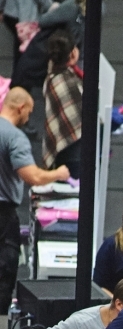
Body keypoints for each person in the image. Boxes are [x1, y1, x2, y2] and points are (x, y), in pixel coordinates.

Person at [0, 86, 70, 311]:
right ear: (21, 108)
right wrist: (59, 174)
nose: (28, 118)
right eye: (29, 113)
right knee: (4, 270)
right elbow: (33, 176)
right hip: (2, 216)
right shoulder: (14, 137)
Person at [41, 31, 82, 178]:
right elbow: (84, 116)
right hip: (75, 152)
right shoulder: (69, 82)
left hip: (63, 149)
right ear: (72, 54)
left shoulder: (52, 76)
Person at [0, 0, 55, 69]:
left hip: (10, 11)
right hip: (25, 13)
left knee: (19, 54)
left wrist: (1, 6)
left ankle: (15, 81)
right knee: (26, 57)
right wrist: (52, 8)